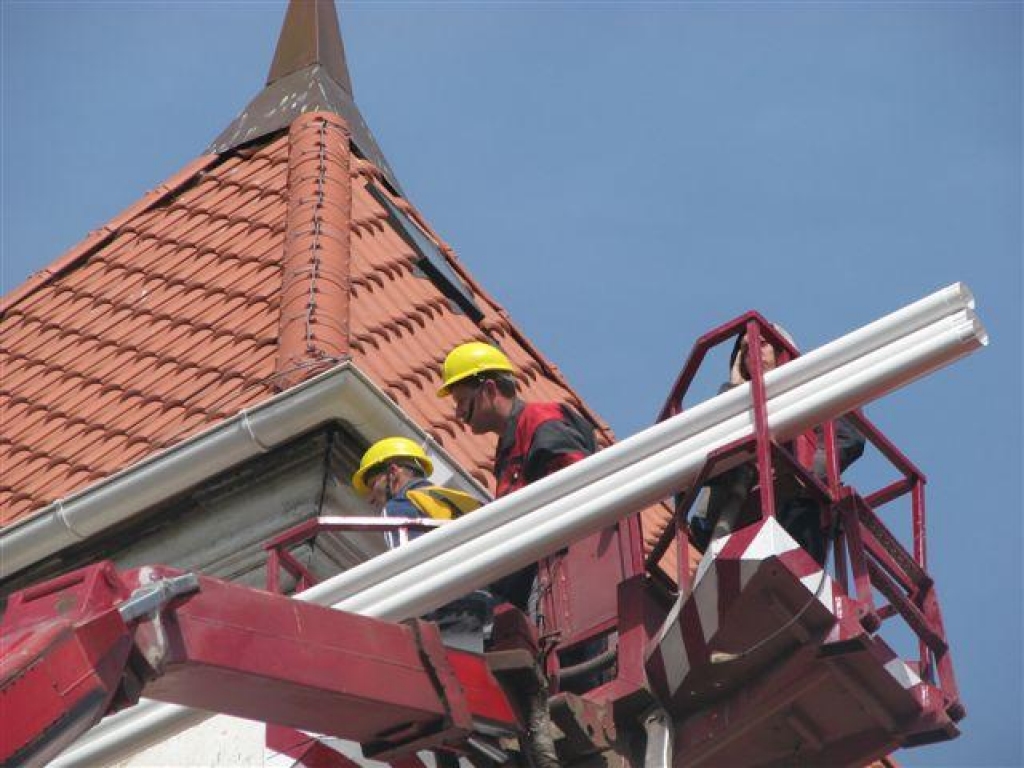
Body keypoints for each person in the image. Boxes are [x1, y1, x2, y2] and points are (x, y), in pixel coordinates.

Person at [436, 341, 596, 613]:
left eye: (462, 401)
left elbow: (579, 491)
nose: (458, 413)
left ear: (488, 389)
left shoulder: (540, 422)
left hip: (560, 574)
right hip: (534, 576)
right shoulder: (508, 448)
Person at [690, 325, 865, 563]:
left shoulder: (811, 393)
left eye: (761, 344)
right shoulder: (736, 402)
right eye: (745, 349)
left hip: (792, 509)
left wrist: (803, 476)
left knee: (806, 511)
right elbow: (708, 450)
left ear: (783, 350)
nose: (753, 351)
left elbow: (848, 438)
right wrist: (733, 391)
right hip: (732, 514)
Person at [352, 436, 489, 651]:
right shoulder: (449, 500)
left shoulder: (397, 507)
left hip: (444, 607)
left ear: (393, 472)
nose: (371, 498)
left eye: (373, 485)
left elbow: (405, 566)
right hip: (481, 603)